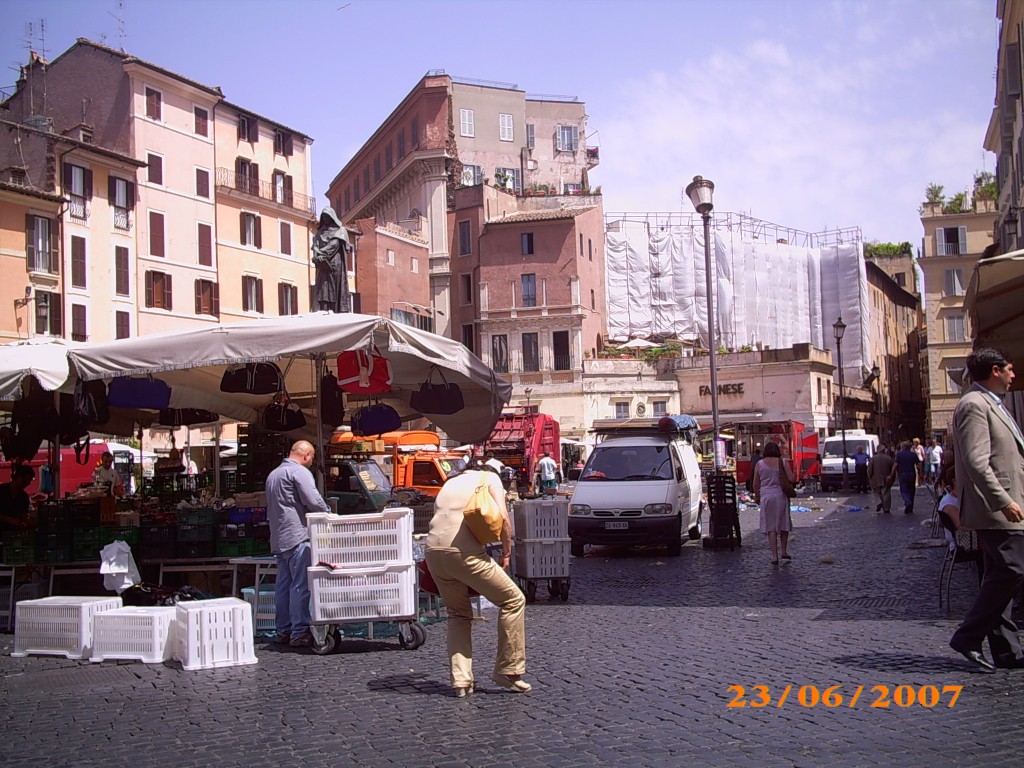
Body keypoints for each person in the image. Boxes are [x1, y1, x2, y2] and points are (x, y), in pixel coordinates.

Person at [424, 465, 530, 697]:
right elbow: (503, 517)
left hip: (433, 552)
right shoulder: (490, 478)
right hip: (464, 553)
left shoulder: (450, 483)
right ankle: (509, 670)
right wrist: (507, 551)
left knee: (458, 614)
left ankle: (461, 682)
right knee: (513, 600)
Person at [949, 348, 1024, 671]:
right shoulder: (974, 405)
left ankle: (1007, 652)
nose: (1013, 375)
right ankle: (968, 636)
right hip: (996, 508)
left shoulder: (991, 403)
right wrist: (1003, 501)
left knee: (1000, 573)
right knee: (1013, 569)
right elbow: (976, 462)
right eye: (1009, 369)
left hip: (1005, 504)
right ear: (995, 370)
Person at [265, 440, 330, 648]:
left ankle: (283, 630)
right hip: (297, 535)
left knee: (283, 586)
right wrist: (328, 514)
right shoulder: (299, 472)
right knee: (300, 585)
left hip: (279, 537)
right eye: (312, 458)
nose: (311, 462)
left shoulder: (274, 474)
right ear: (306, 455)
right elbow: (314, 500)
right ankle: (299, 631)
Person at [751, 441, 795, 565]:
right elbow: (791, 478)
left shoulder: (759, 464)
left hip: (766, 496)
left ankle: (774, 556)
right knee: (783, 523)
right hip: (781, 495)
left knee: (771, 527)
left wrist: (757, 496)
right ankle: (784, 551)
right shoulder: (783, 462)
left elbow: (755, 484)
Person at [311, 206, 352, 313]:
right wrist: (316, 256)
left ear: (332, 216)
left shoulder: (341, 231)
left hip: (335, 262)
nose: (326, 219)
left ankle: (336, 309)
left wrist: (321, 253)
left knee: (335, 285)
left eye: (327, 216)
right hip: (322, 264)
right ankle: (323, 309)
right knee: (323, 287)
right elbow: (315, 246)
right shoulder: (319, 233)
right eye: (324, 217)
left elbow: (334, 245)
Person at [0, 465, 35, 530]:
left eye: (30, 481)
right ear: (19, 477)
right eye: (26, 480)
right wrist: (9, 519)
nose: (28, 483)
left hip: (13, 532)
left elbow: (23, 517)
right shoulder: (1, 490)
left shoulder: (24, 497)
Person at [892, 440, 920, 514]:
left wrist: (892, 474)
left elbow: (895, 465)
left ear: (903, 447)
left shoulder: (899, 455)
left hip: (903, 474)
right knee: (912, 490)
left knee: (904, 490)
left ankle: (907, 502)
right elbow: (919, 465)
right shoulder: (913, 454)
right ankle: (911, 507)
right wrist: (921, 473)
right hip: (912, 473)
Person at [867, 446, 896, 514]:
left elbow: (869, 469)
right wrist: (892, 478)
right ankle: (886, 508)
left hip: (875, 479)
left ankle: (879, 502)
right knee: (886, 493)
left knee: (876, 492)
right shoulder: (889, 458)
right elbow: (893, 469)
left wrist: (869, 477)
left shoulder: (873, 459)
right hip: (887, 479)